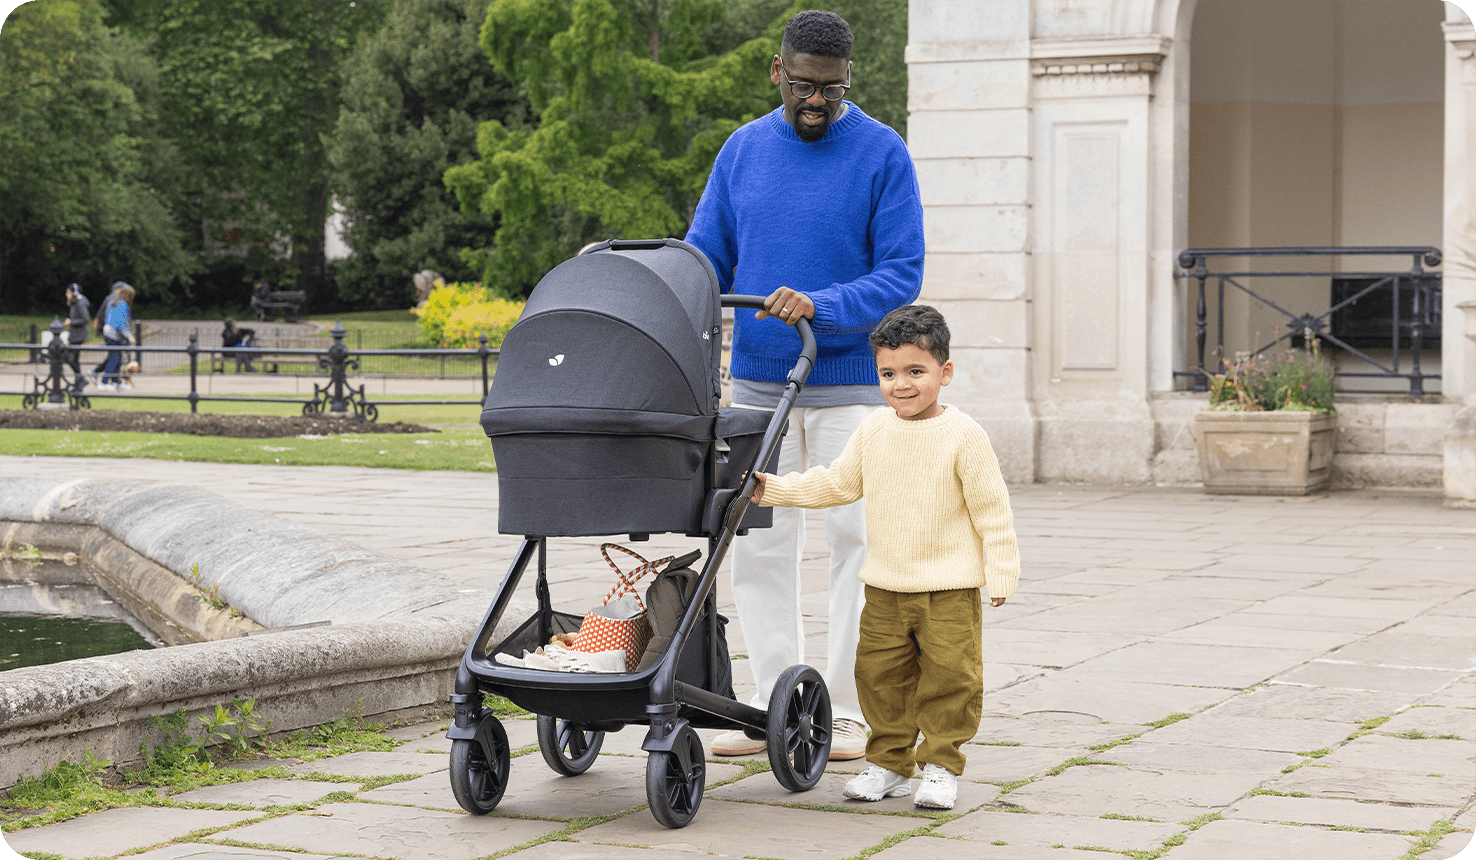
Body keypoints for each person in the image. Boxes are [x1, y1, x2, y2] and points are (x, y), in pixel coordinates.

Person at [682, 9, 925, 761]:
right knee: (757, 544)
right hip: (758, 385)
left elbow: (901, 274)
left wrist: (823, 303)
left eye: (831, 87)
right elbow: (705, 252)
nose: (815, 100)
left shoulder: (883, 153)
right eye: (802, 85)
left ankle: (849, 712)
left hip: (850, 386)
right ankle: (770, 704)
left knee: (859, 543)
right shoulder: (744, 149)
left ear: (850, 80)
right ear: (776, 73)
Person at [750, 306, 1020, 810]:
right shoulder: (874, 430)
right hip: (886, 587)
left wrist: (1001, 568)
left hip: (949, 590)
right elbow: (837, 482)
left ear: (945, 372)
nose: (901, 385)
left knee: (951, 678)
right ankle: (890, 763)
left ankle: (939, 764)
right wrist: (776, 491)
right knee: (877, 676)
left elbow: (992, 509)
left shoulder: (965, 437)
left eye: (916, 372)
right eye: (889, 373)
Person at [98, 284, 135, 390]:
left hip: (109, 333)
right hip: (113, 335)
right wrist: (129, 336)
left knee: (116, 358)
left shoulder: (114, 302)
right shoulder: (122, 305)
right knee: (115, 358)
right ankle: (104, 382)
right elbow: (120, 324)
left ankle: (116, 381)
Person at [91, 281, 125, 380]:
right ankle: (104, 379)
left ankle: (114, 380)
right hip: (111, 332)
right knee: (115, 356)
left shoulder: (111, 297)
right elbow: (107, 314)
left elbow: (102, 312)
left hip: (109, 330)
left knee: (114, 356)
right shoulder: (113, 298)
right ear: (119, 290)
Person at [63, 284, 91, 391]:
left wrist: (71, 322)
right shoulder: (75, 303)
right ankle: (78, 382)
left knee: (68, 357)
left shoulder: (80, 303)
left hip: (78, 335)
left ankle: (81, 379)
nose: (67, 294)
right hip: (75, 335)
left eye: (68, 292)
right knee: (74, 359)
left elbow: (86, 319)